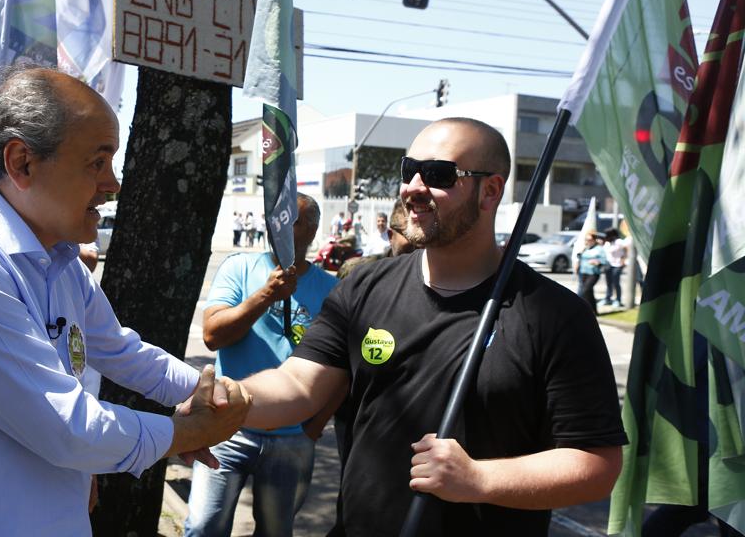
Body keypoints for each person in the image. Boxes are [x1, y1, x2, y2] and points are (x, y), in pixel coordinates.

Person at [0, 67, 249, 536]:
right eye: (97, 162)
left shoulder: (60, 259)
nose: (112, 184)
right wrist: (186, 433)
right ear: (22, 162)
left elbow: (120, 349)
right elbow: (66, 426)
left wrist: (205, 393)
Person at [238, 118, 626, 536]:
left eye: (439, 174)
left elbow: (596, 464)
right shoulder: (364, 286)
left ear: (490, 191)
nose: (413, 188)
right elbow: (298, 387)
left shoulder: (554, 314)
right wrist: (227, 401)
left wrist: (479, 480)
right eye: (410, 170)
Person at [184, 193, 339, 537]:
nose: (278, 226)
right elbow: (212, 335)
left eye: (291, 220)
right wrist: (264, 297)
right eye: (274, 218)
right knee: (204, 526)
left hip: (293, 439)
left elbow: (339, 369)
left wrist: (313, 427)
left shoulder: (332, 289)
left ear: (312, 229)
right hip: (227, 428)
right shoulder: (239, 268)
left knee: (275, 530)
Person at [576, 232, 606, 315]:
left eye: (589, 240)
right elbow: (579, 257)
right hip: (583, 272)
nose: (587, 241)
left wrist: (597, 262)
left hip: (593, 273)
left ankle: (583, 311)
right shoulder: (585, 248)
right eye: (586, 239)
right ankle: (594, 311)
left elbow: (604, 260)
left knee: (585, 290)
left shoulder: (599, 249)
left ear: (594, 240)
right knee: (589, 292)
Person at [603, 227, 628, 307]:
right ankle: (608, 298)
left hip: (617, 265)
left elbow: (626, 249)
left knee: (616, 282)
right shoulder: (607, 243)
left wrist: (623, 260)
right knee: (609, 282)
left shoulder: (619, 242)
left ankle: (618, 300)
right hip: (608, 264)